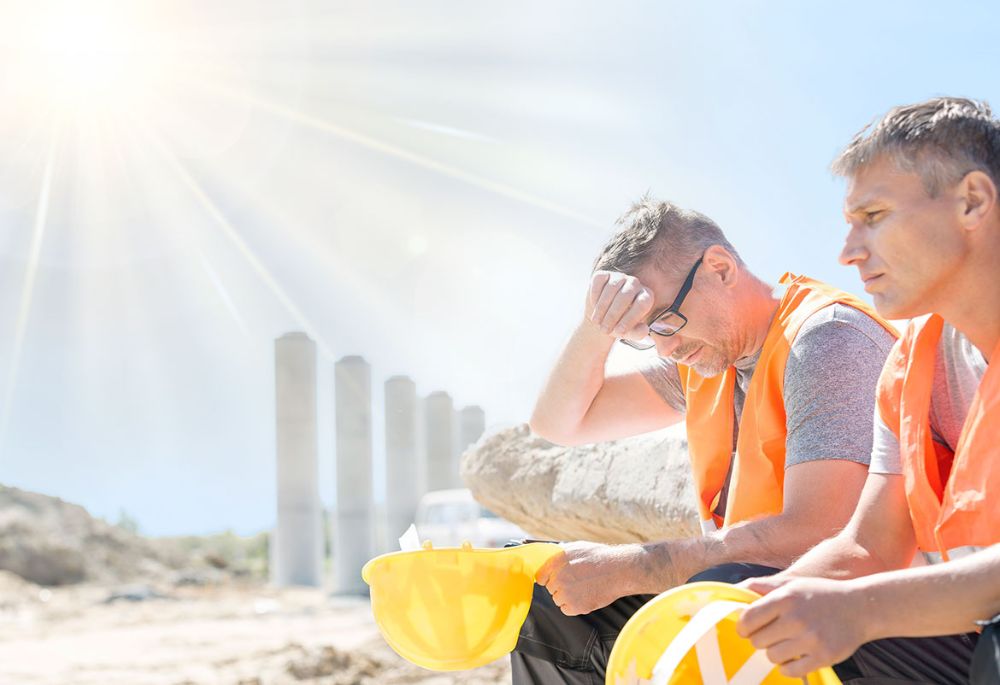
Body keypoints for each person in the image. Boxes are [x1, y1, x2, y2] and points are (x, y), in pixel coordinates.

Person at [513, 197, 897, 684]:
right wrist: (596, 330)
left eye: (667, 320)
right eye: (645, 334)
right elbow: (558, 424)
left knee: (721, 591)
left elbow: (824, 533)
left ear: (719, 268)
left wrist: (639, 566)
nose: (666, 346)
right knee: (552, 596)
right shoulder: (705, 361)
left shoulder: (828, 339)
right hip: (762, 598)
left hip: (878, 620)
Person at [737, 97, 1000, 685]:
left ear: (972, 202)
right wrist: (770, 599)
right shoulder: (909, 369)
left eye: (874, 215)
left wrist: (857, 611)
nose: (848, 252)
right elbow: (869, 549)